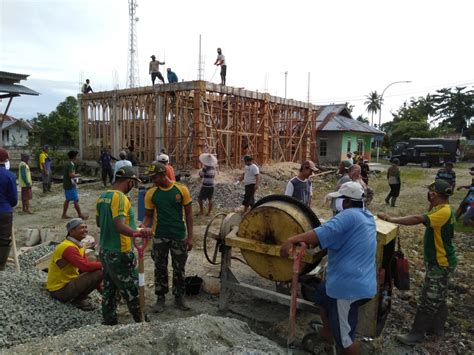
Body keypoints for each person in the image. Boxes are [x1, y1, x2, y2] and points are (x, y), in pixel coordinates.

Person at [281, 181, 377, 354]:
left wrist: (291, 240)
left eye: (339, 200)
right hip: (362, 280)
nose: (337, 203)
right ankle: (328, 334)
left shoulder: (347, 216)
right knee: (322, 293)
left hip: (348, 289)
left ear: (347, 202)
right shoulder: (365, 215)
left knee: (346, 340)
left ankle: (341, 342)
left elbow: (321, 233)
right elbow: (336, 235)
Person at [378, 179, 457, 345]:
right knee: (439, 297)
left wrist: (392, 219)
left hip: (440, 263)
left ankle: (416, 335)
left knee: (428, 299)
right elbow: (427, 215)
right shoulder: (443, 208)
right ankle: (437, 329)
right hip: (442, 262)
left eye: (431, 193)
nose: (429, 196)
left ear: (434, 194)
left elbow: (417, 218)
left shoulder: (443, 212)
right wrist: (432, 202)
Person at [96, 166, 153, 325]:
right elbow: (119, 226)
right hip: (120, 253)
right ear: (128, 181)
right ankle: (142, 323)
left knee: (110, 289)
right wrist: (139, 233)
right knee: (133, 290)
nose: (133, 186)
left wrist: (136, 228)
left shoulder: (102, 196)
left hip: (105, 251)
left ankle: (109, 321)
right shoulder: (120, 198)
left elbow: (99, 223)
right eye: (133, 183)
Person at [142, 162, 193, 313]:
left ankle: (179, 297)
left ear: (163, 175)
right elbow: (148, 216)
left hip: (178, 235)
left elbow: (189, 214)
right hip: (159, 236)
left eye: (154, 177)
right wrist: (144, 226)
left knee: (179, 268)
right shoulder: (151, 193)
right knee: (160, 268)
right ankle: (160, 298)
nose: (152, 180)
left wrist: (190, 237)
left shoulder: (181, 190)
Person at [46, 218, 102, 311]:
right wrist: (105, 264)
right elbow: (85, 267)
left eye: (85, 227)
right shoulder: (68, 247)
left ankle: (78, 297)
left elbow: (84, 268)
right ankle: (78, 301)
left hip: (68, 284)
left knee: (97, 271)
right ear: (71, 231)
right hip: (59, 290)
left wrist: (99, 289)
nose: (85, 230)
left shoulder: (79, 246)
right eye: (81, 228)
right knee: (99, 272)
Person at [0, 148, 17, 271]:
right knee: (4, 239)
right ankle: (1, 265)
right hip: (4, 211)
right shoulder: (9, 175)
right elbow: (14, 199)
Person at [62, 150, 87, 220]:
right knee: (76, 200)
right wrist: (77, 175)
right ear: (74, 157)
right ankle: (80, 215)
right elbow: (71, 175)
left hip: (67, 184)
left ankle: (64, 214)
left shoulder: (67, 163)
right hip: (70, 185)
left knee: (67, 200)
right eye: (77, 156)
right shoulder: (71, 164)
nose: (78, 157)